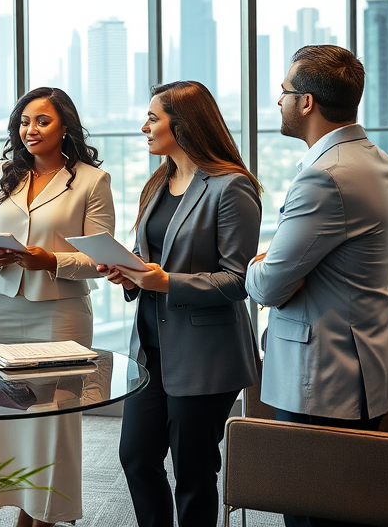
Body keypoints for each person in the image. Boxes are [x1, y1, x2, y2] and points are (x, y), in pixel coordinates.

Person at [245, 45, 388, 527]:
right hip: (363, 371)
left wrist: (262, 265)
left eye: (283, 92)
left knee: (311, 516)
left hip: (323, 380)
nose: (278, 101)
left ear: (308, 102)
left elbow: (270, 284)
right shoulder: (376, 161)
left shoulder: (325, 176)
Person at [99, 81, 261, 527]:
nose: (144, 127)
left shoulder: (231, 187)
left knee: (193, 473)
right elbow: (147, 264)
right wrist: (129, 277)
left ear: (183, 123)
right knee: (136, 457)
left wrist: (166, 282)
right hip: (150, 350)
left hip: (205, 356)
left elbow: (238, 280)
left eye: (153, 118)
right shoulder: (158, 182)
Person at [0, 86, 114, 527]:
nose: (30, 130)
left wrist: (49, 260)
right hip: (5, 308)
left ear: (65, 125)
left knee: (52, 417)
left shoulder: (92, 180)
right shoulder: (5, 172)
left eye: (42, 121)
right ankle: (19, 507)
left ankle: (45, 516)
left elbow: (100, 258)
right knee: (4, 408)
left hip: (61, 312)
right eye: (24, 122)